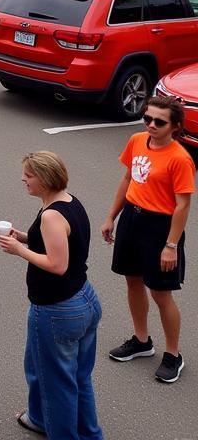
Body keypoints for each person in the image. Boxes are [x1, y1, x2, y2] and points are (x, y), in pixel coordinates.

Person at [0, 152, 104, 439]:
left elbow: (58, 265)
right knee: (78, 376)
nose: (23, 179)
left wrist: (19, 251)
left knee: (57, 384)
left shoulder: (51, 216)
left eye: (29, 175)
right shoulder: (69, 202)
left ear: (44, 178)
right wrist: (24, 237)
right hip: (84, 299)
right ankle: (88, 433)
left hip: (58, 310)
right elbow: (60, 243)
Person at [101, 93, 194, 384]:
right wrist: (111, 216)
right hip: (133, 217)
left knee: (160, 293)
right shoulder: (137, 141)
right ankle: (142, 341)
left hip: (160, 226)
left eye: (160, 122)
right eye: (147, 118)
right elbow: (128, 179)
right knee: (133, 280)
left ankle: (173, 354)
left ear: (175, 126)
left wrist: (171, 246)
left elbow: (182, 205)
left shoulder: (180, 159)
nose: (151, 125)